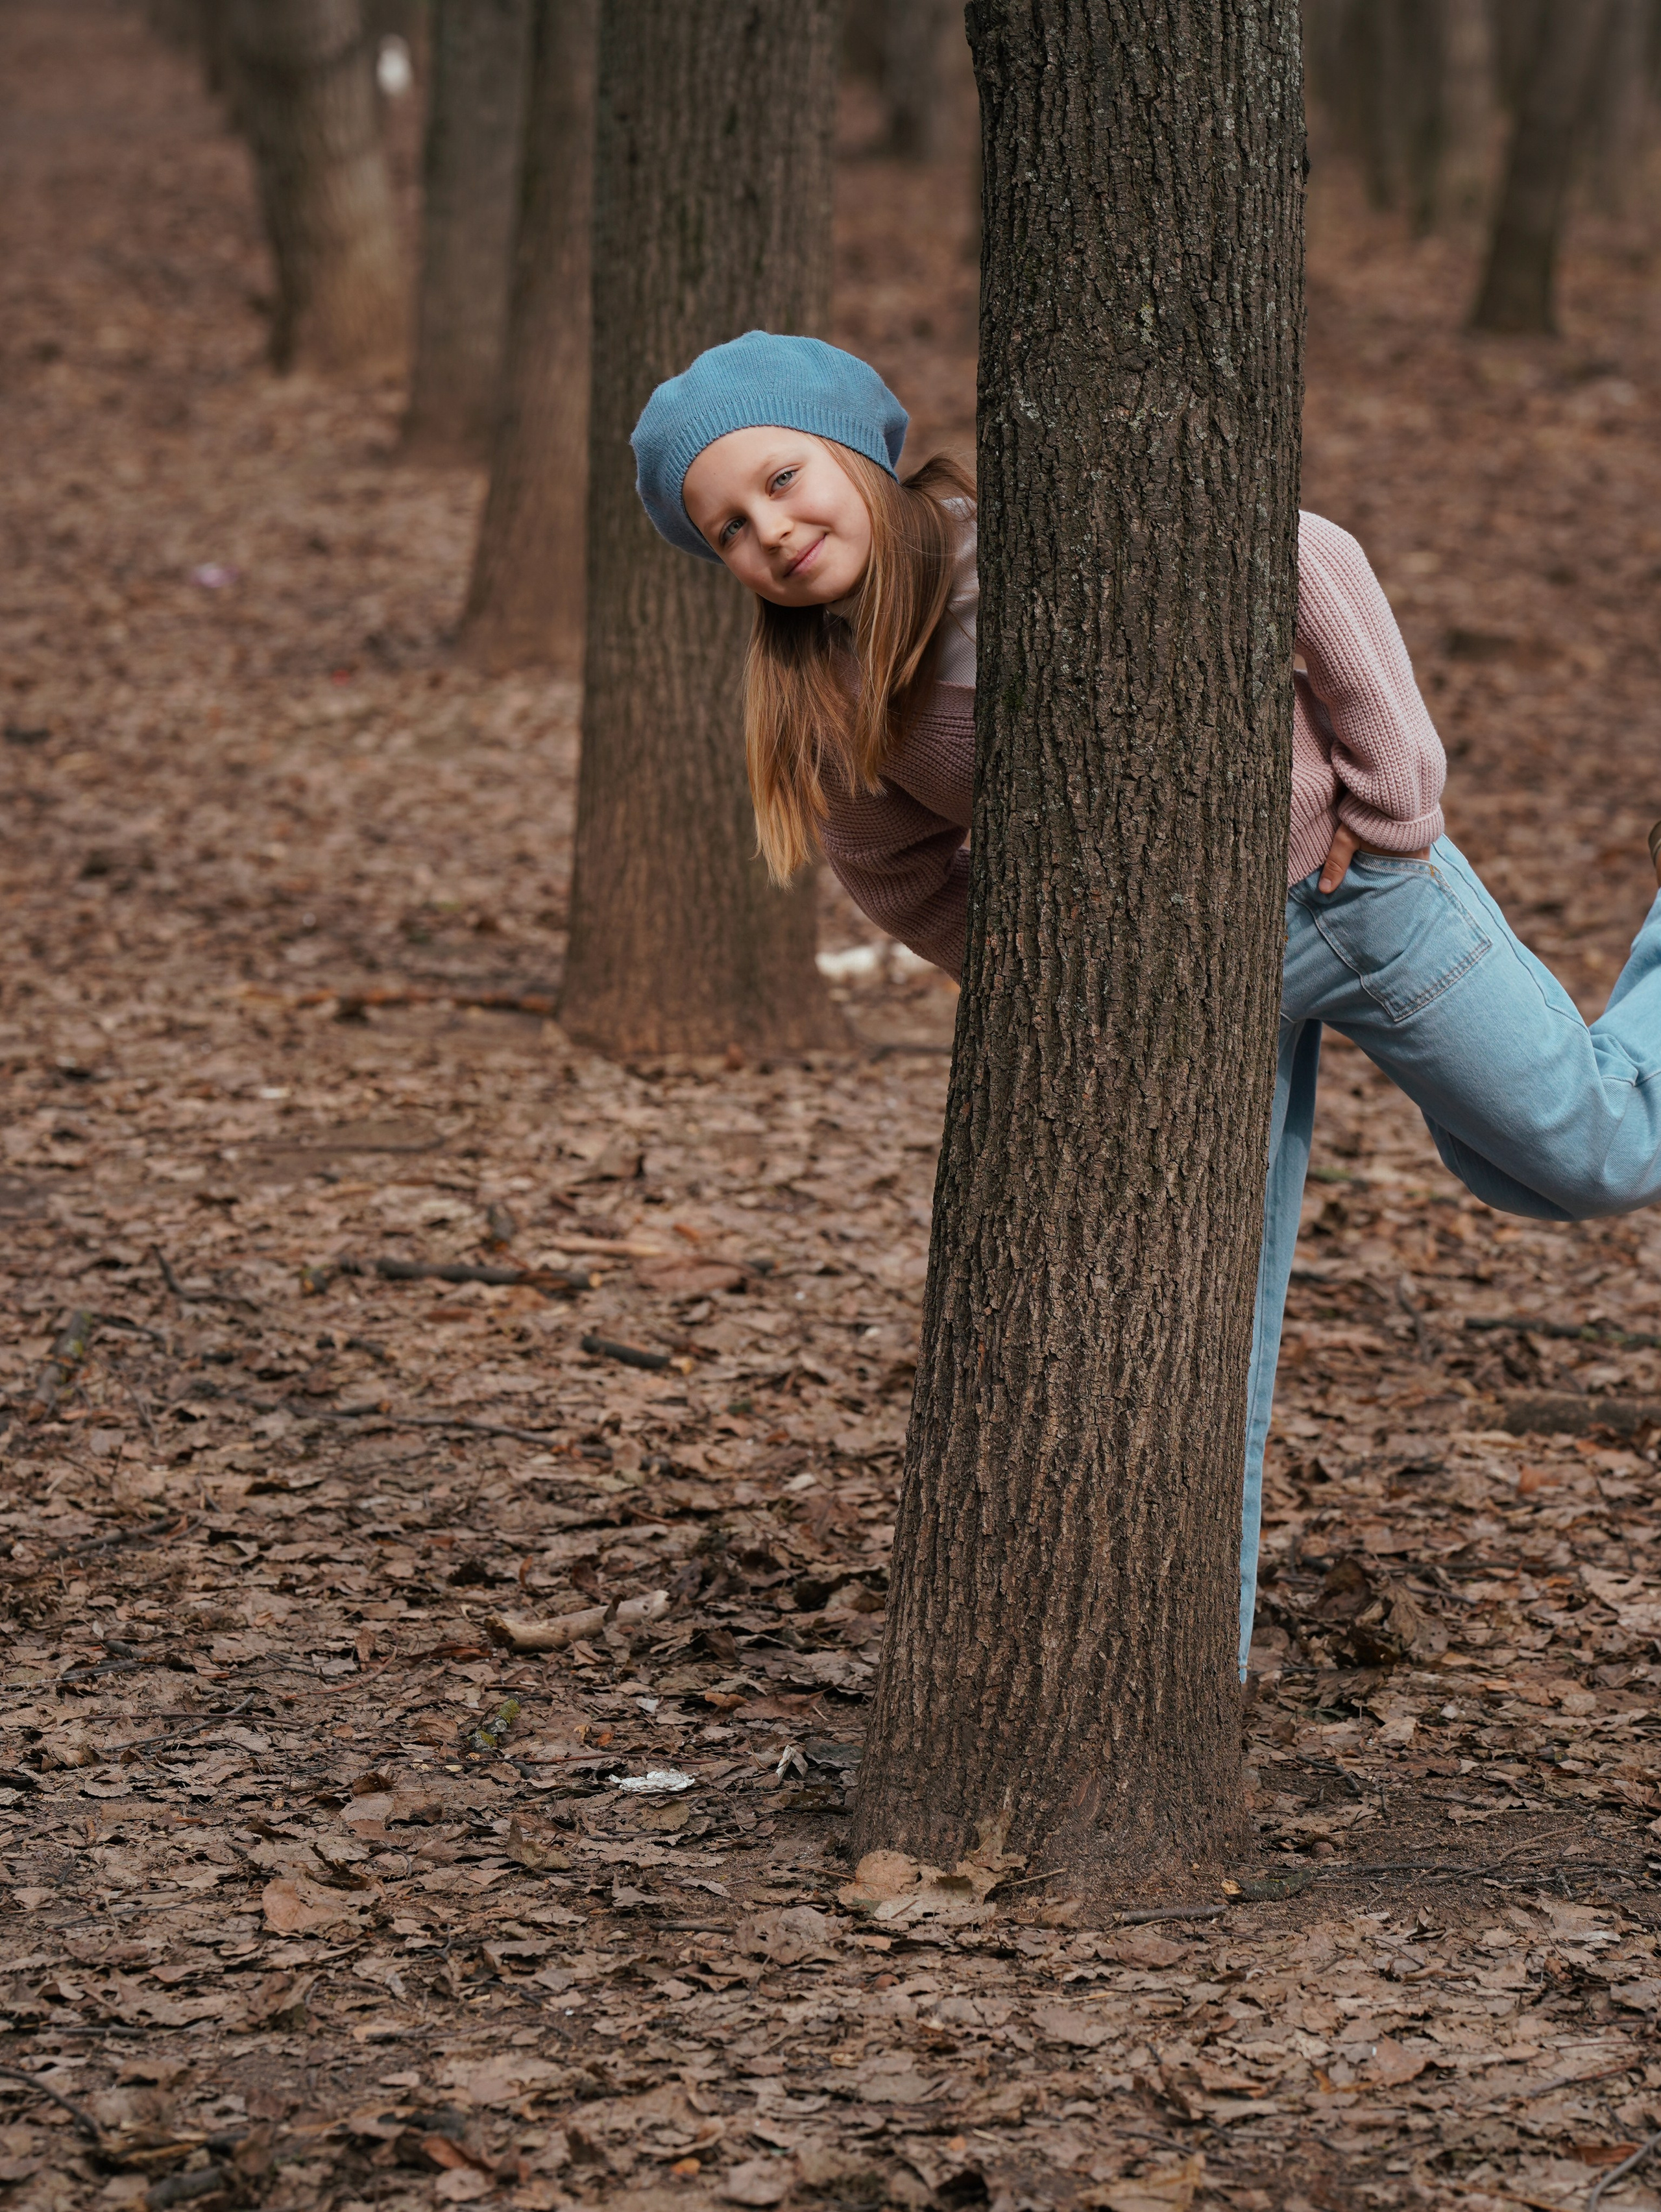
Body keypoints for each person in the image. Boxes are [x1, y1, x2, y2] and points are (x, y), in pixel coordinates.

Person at [632, 330, 1661, 1676]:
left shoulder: (1040, 534)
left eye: (779, 477)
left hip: (1353, 898)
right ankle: (1184, 1684)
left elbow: (1310, 559)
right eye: (729, 527)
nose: (770, 527)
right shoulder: (836, 689)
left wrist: (1395, 814)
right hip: (1173, 1013)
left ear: (855, 450)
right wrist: (1045, 975)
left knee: (1583, 1154)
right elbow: (890, 871)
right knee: (1201, 1337)